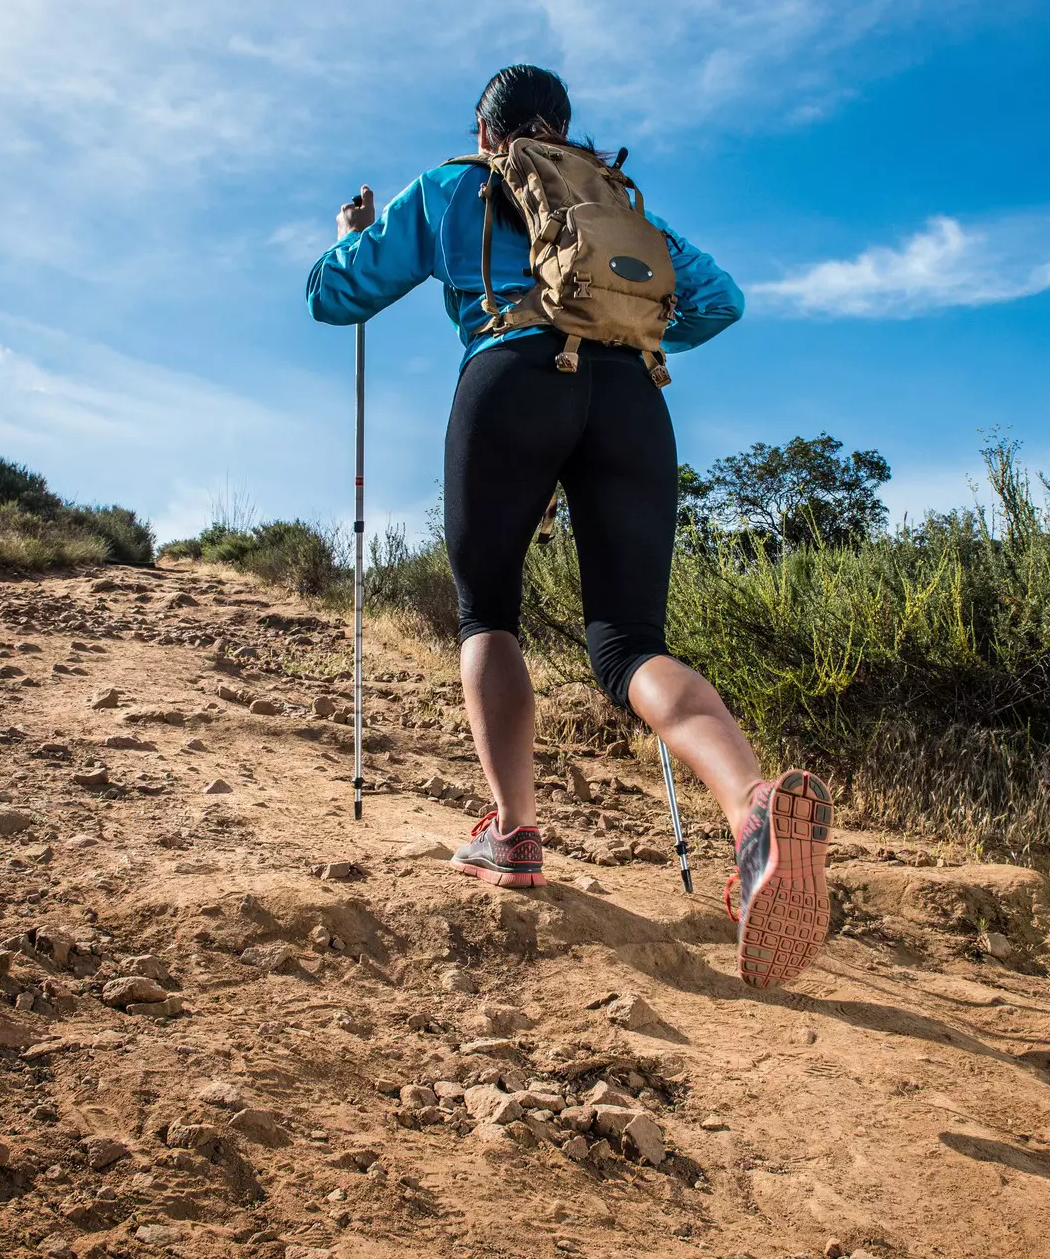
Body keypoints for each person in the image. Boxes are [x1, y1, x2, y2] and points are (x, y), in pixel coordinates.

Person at [305, 64, 831, 989]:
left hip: (508, 375)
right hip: (631, 393)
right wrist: (635, 330)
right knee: (630, 643)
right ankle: (752, 809)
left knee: (488, 614)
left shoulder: (455, 184)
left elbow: (335, 295)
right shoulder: (617, 198)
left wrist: (347, 238)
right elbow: (722, 301)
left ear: (485, 129)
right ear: (561, 125)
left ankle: (511, 835)